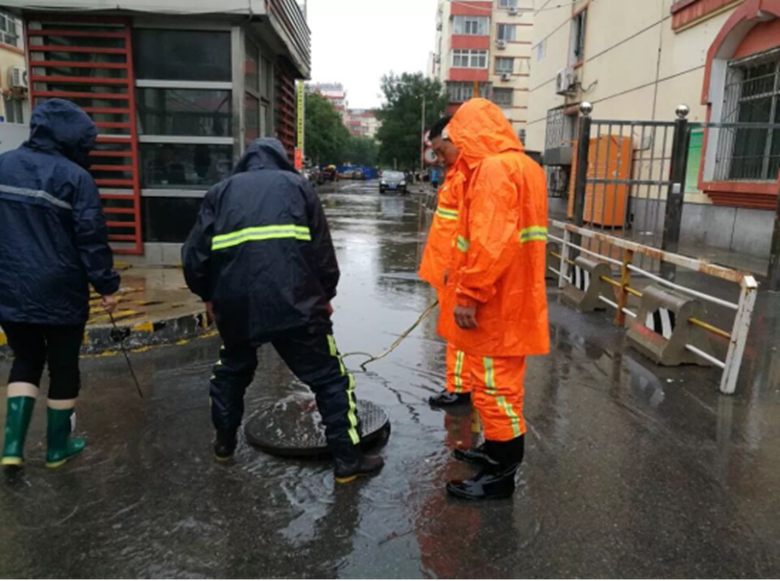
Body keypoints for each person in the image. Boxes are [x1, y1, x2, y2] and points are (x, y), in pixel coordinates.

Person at [182, 138, 384, 484]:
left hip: (238, 306)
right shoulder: (298, 186)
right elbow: (322, 250)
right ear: (281, 160)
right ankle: (347, 462)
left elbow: (194, 255)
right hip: (297, 303)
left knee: (231, 373)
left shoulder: (220, 192)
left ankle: (224, 445)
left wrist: (208, 295)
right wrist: (325, 294)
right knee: (329, 379)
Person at [435, 99, 550, 501]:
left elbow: (490, 239)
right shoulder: (526, 167)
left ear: (472, 133)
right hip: (514, 296)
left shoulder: (494, 170)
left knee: (494, 390)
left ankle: (501, 473)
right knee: (499, 386)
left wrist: (469, 293)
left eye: (458, 137)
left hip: (494, 302)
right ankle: (495, 452)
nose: (456, 147)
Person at [0, 99, 120, 470]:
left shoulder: (3, 165)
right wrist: (107, 286)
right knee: (63, 365)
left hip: (8, 285)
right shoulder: (75, 177)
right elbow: (91, 238)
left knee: (26, 359)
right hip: (61, 288)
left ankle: (12, 448)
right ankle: (57, 448)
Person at [419, 116, 475, 411]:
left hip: (456, 269)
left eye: (442, 151)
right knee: (454, 331)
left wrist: (459, 273)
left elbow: (470, 232)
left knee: (458, 333)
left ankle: (460, 388)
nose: (439, 159)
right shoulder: (457, 174)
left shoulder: (468, 177)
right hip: (447, 268)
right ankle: (459, 386)